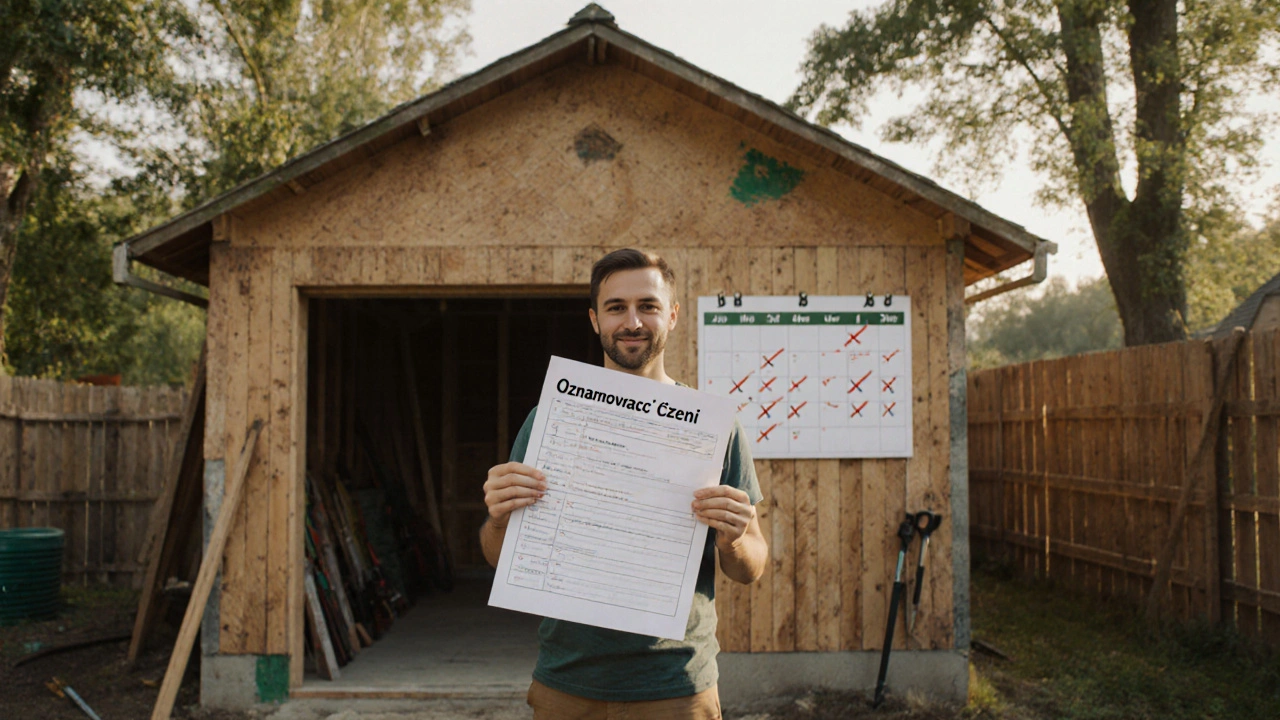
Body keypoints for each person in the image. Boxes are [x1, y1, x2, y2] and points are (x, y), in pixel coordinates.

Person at [479, 248, 769, 719]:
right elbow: (497, 556)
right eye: (616, 307)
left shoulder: (714, 428)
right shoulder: (551, 419)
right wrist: (497, 519)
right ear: (595, 320)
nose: (632, 321)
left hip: (675, 686)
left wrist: (733, 539)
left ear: (672, 316)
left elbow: (750, 568)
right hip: (567, 683)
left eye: (648, 306)